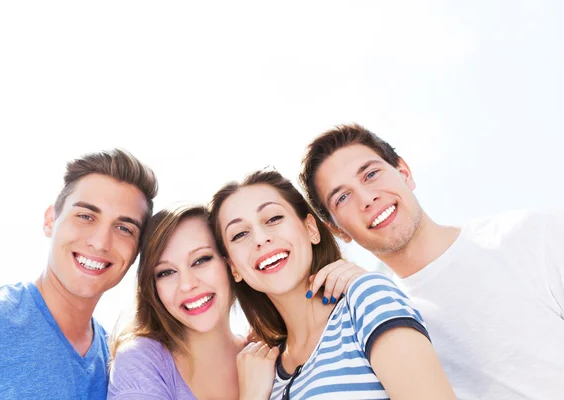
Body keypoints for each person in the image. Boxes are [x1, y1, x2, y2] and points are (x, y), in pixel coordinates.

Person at [298, 123, 564, 400]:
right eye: (342, 197)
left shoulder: (531, 236)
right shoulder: (378, 322)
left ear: (404, 172)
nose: (367, 198)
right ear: (338, 230)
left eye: (371, 174)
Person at [209, 169, 455, 400]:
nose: (261, 239)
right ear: (233, 268)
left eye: (273, 218)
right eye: (239, 234)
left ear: (311, 229)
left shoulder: (366, 299)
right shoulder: (260, 371)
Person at [107, 204, 364, 400]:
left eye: (201, 260)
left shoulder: (273, 352)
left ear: (231, 264)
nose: (187, 285)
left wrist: (358, 284)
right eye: (166, 272)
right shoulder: (142, 361)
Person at [0, 149, 158, 400]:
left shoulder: (118, 367)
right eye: (86, 216)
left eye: (123, 228)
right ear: (50, 220)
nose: (100, 242)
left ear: (137, 252)